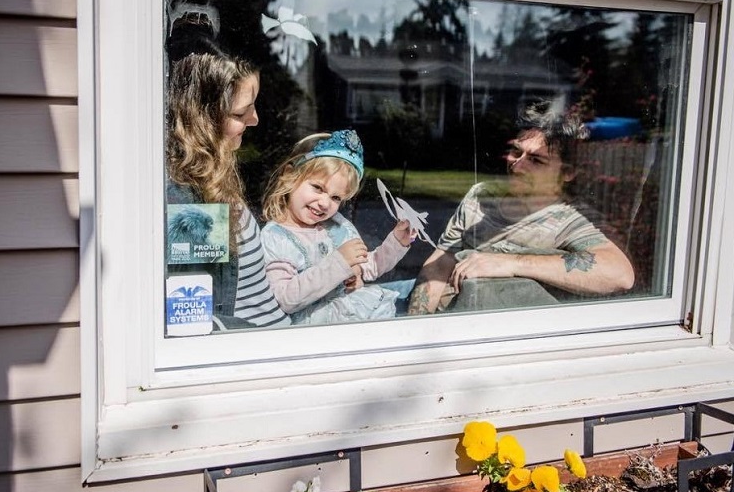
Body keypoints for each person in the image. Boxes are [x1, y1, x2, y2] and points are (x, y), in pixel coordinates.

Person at [407, 99, 635, 315]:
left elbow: (620, 274)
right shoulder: (481, 196)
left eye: (536, 160)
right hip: (440, 320)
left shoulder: (570, 219)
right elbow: (441, 262)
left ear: (567, 173)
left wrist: (510, 263)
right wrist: (416, 324)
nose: (517, 165)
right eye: (517, 151)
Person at [166, 51, 290, 329]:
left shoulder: (214, 178)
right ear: (202, 118)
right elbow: (194, 319)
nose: (255, 118)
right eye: (240, 112)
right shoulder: (190, 202)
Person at [260, 130, 417, 325]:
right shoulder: (276, 237)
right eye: (318, 188)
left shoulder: (336, 226)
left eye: (336, 198)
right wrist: (339, 264)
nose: (325, 203)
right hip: (314, 331)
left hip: (351, 318)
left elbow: (369, 267)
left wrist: (396, 242)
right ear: (290, 175)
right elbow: (284, 298)